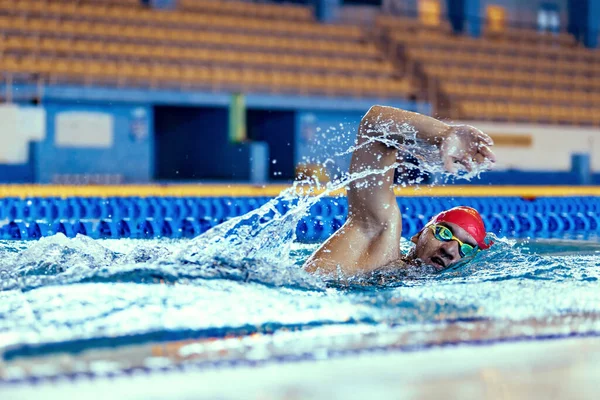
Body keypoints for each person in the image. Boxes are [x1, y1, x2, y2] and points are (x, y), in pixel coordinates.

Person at [303, 105, 497, 276]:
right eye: (444, 233)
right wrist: (443, 134)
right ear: (418, 235)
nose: (450, 249)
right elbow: (373, 125)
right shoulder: (378, 238)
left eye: (466, 248)